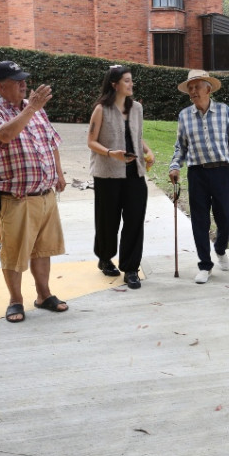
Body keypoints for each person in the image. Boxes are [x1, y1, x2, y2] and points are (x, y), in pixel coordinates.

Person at [0, 60, 68, 323]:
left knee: (43, 249)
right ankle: (15, 301)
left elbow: (51, 141)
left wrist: (59, 173)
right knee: (14, 251)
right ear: (1, 86)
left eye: (24, 79)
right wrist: (31, 108)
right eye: (17, 80)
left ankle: (44, 295)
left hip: (44, 194)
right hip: (15, 197)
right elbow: (5, 136)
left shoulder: (36, 111)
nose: (23, 84)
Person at [168, 69, 229, 284]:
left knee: (226, 217)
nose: (193, 92)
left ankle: (220, 248)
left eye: (197, 87)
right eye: (190, 88)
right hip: (197, 173)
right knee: (199, 221)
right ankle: (205, 265)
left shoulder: (224, 111)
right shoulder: (185, 115)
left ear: (208, 89)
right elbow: (181, 146)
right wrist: (175, 166)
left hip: (221, 171)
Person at [87, 65, 153, 289]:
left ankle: (131, 268)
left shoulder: (137, 108)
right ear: (114, 84)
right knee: (108, 221)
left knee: (135, 221)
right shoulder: (101, 110)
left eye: (131, 80)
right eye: (126, 81)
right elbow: (91, 141)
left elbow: (137, 135)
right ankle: (105, 258)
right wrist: (110, 153)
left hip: (135, 173)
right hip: (107, 174)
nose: (131, 84)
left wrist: (148, 151)